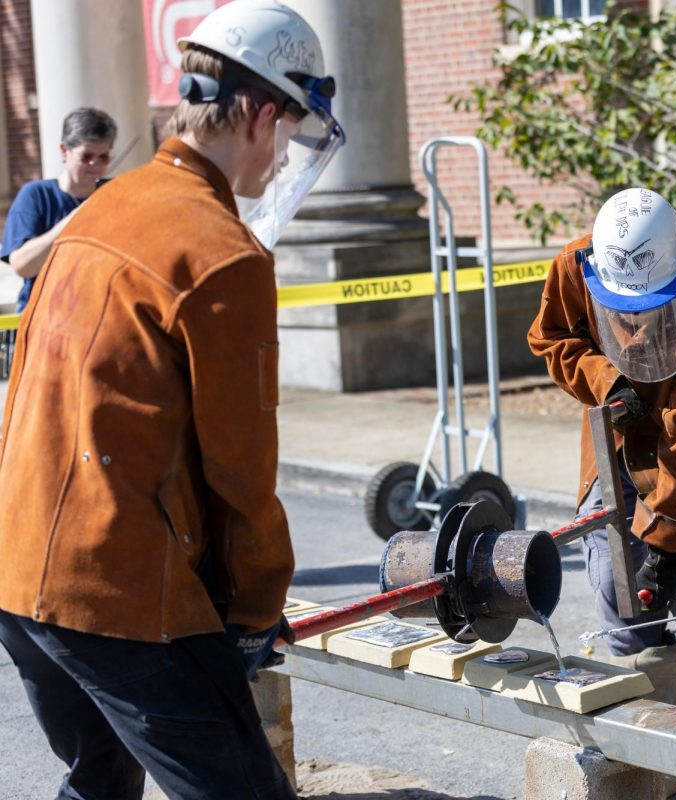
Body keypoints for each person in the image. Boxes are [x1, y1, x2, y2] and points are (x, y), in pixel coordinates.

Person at [0, 1, 345, 797]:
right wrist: (255, 610)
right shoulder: (222, 253)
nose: (281, 158)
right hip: (112, 588)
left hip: (18, 571)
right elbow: (241, 471)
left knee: (100, 781)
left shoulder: (100, 210)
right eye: (291, 132)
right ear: (263, 113)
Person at [528, 187, 676, 727]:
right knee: (624, 605)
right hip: (613, 447)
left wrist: (664, 541)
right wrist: (604, 379)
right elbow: (550, 339)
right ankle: (655, 747)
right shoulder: (575, 266)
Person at [0, 107, 117, 375]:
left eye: (103, 157)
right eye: (86, 156)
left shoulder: (113, 195)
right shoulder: (36, 196)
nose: (95, 166)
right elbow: (22, 265)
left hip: (101, 330)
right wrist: (73, 220)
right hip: (46, 332)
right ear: (64, 151)